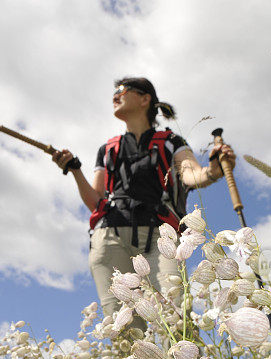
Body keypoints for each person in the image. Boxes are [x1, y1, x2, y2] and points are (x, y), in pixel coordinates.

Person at [53, 77, 235, 318]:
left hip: (160, 235)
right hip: (109, 236)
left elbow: (191, 174)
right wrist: (75, 169)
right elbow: (96, 202)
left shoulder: (171, 141)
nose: (115, 96)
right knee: (123, 327)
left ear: (144, 98)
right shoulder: (107, 149)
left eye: (121, 90)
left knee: (174, 312)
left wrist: (213, 170)